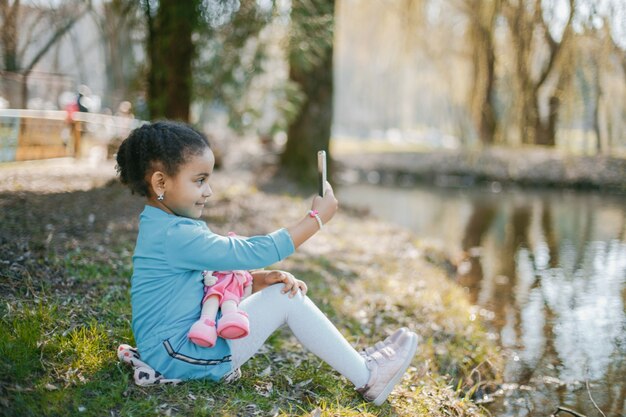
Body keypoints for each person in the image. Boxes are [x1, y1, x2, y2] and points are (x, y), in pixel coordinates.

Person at [115, 121, 418, 405]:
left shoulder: (166, 226)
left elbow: (204, 282)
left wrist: (257, 281)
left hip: (172, 348)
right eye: (200, 180)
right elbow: (249, 251)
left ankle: (359, 363)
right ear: (160, 182)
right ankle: (367, 376)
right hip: (178, 355)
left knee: (281, 292)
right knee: (287, 300)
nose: (209, 191)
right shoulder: (174, 234)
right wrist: (316, 221)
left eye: (209, 179)